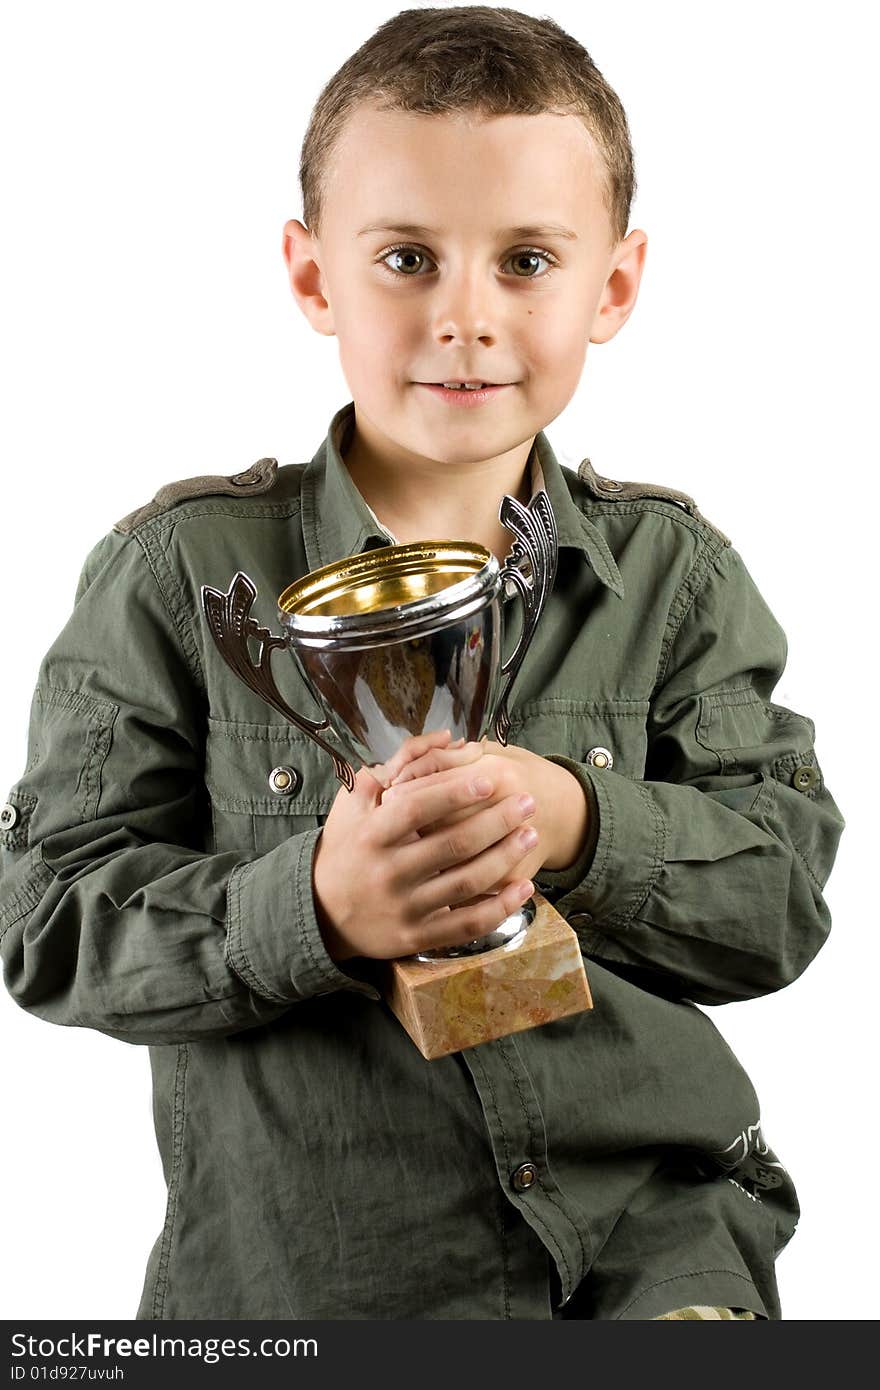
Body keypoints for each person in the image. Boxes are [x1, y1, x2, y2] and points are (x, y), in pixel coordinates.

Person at [0, 5, 844, 1321]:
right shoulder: (178, 575)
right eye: (405, 257)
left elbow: (780, 900)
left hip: (648, 1260)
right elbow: (40, 919)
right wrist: (314, 908)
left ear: (611, 285)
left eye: (524, 260)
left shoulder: (678, 577)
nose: (464, 318)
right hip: (306, 1289)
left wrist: (574, 820)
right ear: (310, 275)